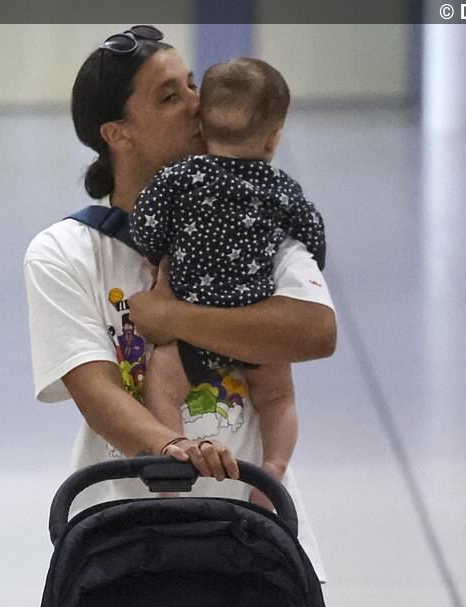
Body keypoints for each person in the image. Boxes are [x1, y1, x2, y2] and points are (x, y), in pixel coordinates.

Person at [23, 25, 336, 513]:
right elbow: (96, 391)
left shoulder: (257, 215)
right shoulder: (63, 252)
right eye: (170, 97)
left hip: (258, 527)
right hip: (131, 528)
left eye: (193, 85)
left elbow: (316, 331)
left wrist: (174, 319)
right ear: (117, 133)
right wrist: (172, 450)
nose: (197, 104)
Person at [127, 56, 327, 509]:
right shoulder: (281, 188)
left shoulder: (177, 179)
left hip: (188, 329)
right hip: (254, 327)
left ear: (201, 126)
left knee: (162, 387)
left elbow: (146, 226)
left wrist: (157, 255)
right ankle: (272, 469)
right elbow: (312, 233)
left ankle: (175, 467)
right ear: (273, 138)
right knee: (278, 398)